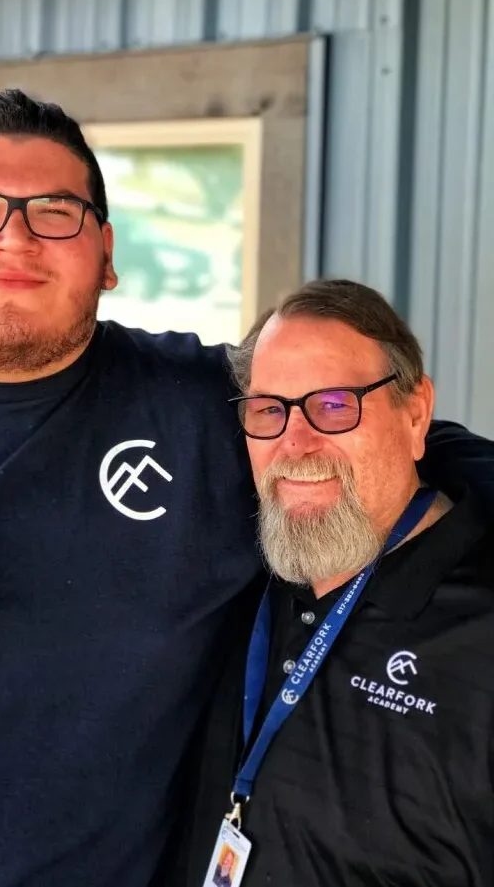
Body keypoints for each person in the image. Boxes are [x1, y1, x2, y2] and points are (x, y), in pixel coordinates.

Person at [0, 91, 489, 887]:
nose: (13, 236)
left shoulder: (198, 403)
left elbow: (378, 434)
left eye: (55, 211)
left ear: (108, 252)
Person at [178, 280, 494, 887]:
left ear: (415, 413)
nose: (296, 444)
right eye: (270, 409)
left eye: (333, 404)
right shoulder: (234, 576)